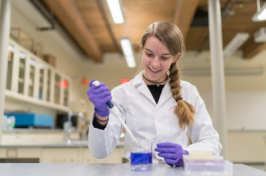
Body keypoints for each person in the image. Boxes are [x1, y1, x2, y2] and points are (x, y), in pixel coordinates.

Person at [87, 21, 222, 167]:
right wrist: (101, 115)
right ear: (141, 49)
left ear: (175, 57)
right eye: (149, 54)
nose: (155, 64)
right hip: (136, 170)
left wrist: (186, 154)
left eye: (164, 57)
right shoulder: (122, 93)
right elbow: (99, 152)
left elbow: (212, 144)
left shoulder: (188, 91)